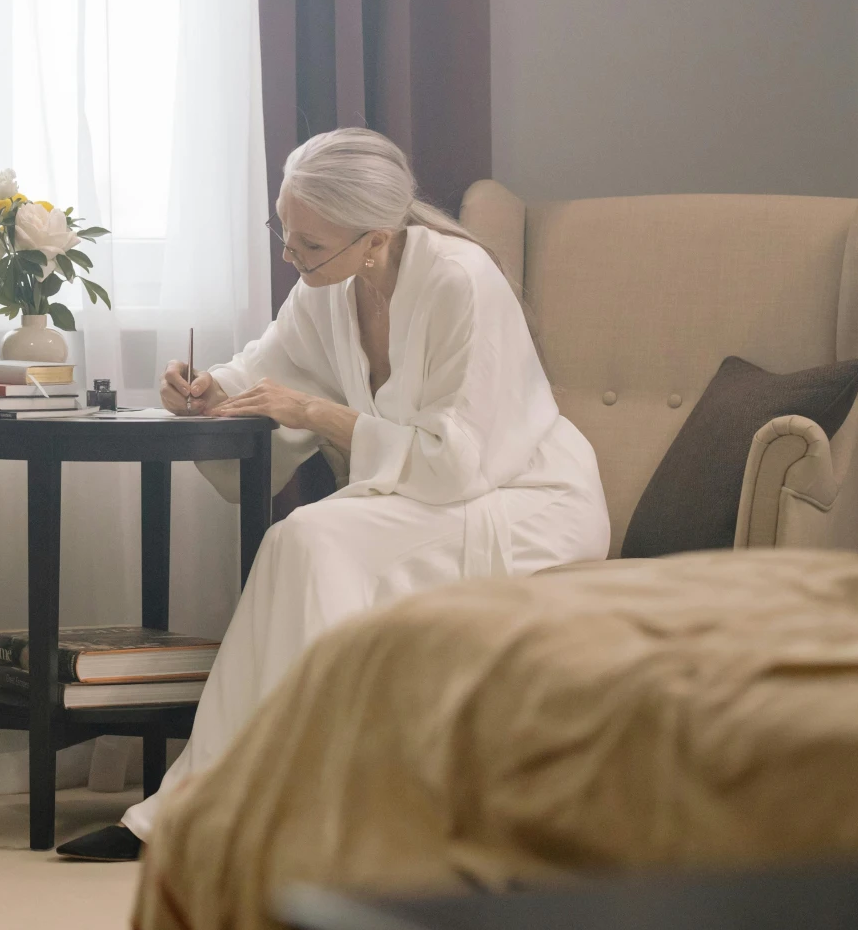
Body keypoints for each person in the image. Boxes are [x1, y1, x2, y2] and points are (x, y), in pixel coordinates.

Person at [55, 129, 609, 862]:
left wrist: (316, 413)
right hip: (425, 495)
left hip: (523, 498)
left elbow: (459, 461)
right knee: (303, 540)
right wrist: (203, 392)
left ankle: (280, 809)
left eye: (307, 245)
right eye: (284, 233)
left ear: (374, 241)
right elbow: (262, 368)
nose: (291, 256)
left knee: (309, 538)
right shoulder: (328, 286)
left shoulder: (458, 281)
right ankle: (209, 809)